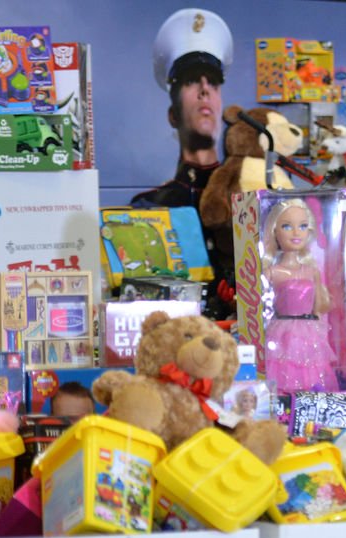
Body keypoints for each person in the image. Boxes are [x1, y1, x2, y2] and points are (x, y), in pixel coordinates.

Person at [131, 8, 235, 316]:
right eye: (191, 81)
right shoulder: (148, 209)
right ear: (173, 114)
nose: (205, 90)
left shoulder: (251, 196)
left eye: (213, 82)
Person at [261, 200, 338, 393]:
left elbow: (318, 307)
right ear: (274, 232)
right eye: (287, 226)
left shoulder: (312, 271)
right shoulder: (272, 272)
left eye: (303, 226)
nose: (296, 233)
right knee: (284, 369)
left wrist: (319, 333)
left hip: (309, 330)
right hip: (282, 329)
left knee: (311, 373)